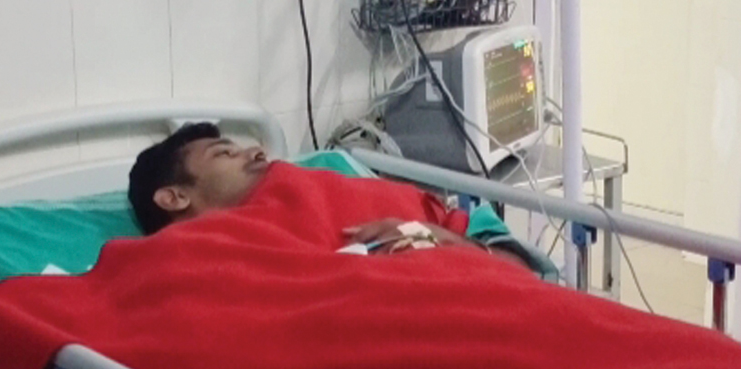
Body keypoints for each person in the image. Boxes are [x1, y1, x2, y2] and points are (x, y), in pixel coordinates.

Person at [128, 123, 531, 264]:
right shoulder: (182, 260)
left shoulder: (341, 186)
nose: (256, 152)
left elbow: (518, 269)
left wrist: (441, 238)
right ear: (174, 198)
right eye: (225, 153)